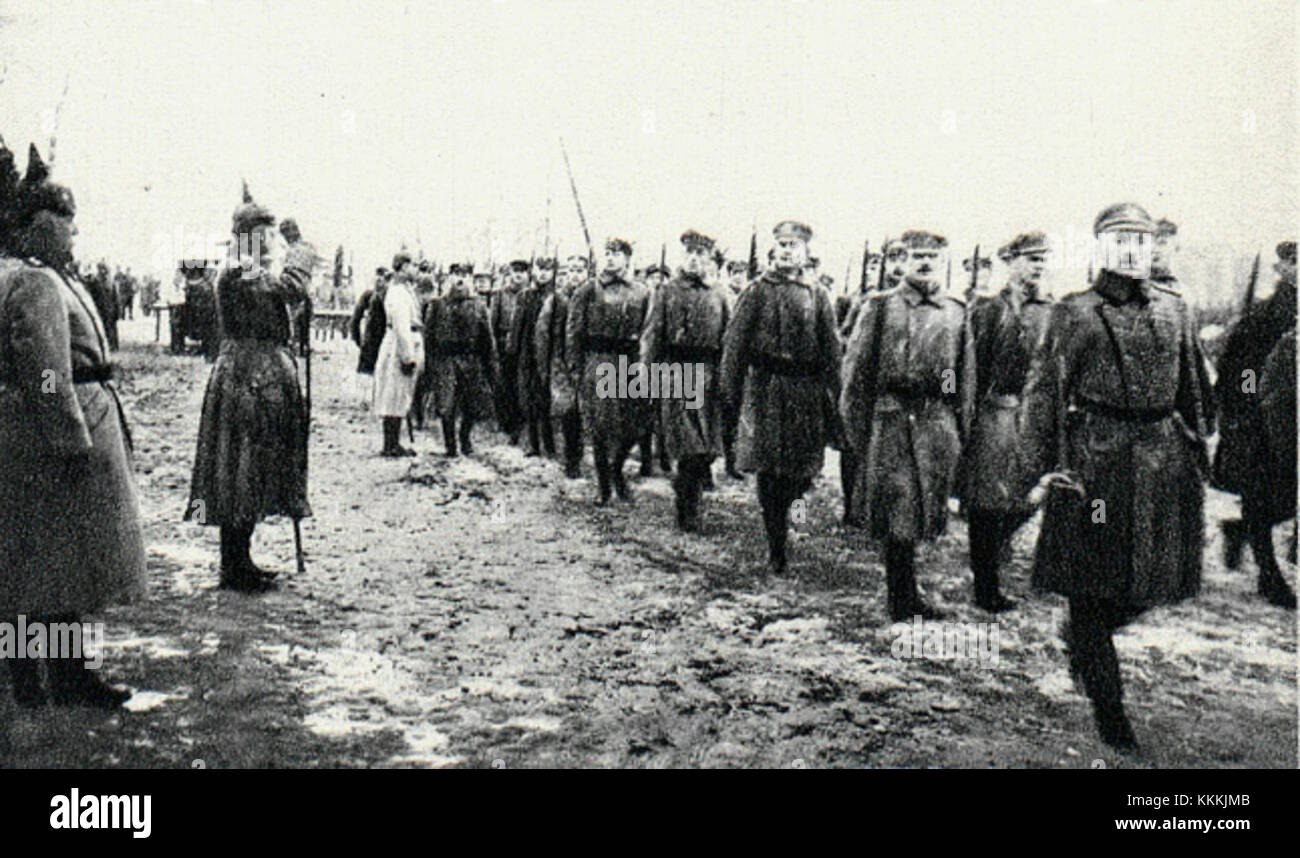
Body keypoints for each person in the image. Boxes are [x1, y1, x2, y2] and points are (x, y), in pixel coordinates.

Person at [1020, 202, 1210, 749]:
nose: (1132, 251)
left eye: (1141, 240)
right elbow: (1044, 395)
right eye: (1120, 240)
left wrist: (1199, 449)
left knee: (1151, 582)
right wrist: (1044, 469)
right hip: (1096, 464)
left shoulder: (1176, 309)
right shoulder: (1076, 312)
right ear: (1100, 247)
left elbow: (1193, 387)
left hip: (1161, 460)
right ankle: (1111, 715)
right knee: (1091, 584)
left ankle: (1082, 636)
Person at [0, 139, 145, 708]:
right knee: (59, 566)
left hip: (27, 431)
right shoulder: (35, 281)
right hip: (54, 432)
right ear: (37, 226)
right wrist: (67, 434)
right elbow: (43, 373)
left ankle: (34, 678)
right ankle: (57, 679)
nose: (73, 235)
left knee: (28, 565)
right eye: (65, 224)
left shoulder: (28, 275)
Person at [841, 230, 973, 617]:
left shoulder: (955, 310)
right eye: (917, 255)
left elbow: (961, 376)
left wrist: (957, 423)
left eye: (933, 255)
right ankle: (901, 596)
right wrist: (860, 434)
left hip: (936, 422)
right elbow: (856, 376)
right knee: (897, 510)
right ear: (904, 259)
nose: (925, 262)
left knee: (924, 510)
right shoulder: (881, 307)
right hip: (892, 418)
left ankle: (906, 589)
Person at [185, 185, 311, 592]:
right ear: (247, 234)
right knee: (239, 470)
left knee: (252, 469)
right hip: (247, 379)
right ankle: (233, 565)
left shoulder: (248, 266)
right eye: (265, 233)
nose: (271, 241)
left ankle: (242, 559)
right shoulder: (242, 270)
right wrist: (300, 260)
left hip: (257, 375)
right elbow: (285, 292)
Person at [721, 220, 841, 574]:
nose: (788, 250)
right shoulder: (757, 290)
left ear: (806, 252)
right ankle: (777, 545)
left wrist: (835, 394)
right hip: (766, 391)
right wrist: (731, 393)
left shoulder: (817, 294)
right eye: (783, 244)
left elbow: (832, 349)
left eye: (795, 245)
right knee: (770, 471)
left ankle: (792, 516)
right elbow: (734, 346)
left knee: (801, 471)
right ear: (774, 250)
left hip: (805, 393)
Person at [961, 231, 1054, 612]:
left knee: (1031, 495)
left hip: (1035, 416)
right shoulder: (987, 309)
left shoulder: (1052, 311)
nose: (1039, 266)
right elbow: (968, 367)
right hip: (994, 412)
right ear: (1011, 261)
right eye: (1031, 258)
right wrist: (966, 417)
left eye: (1043, 259)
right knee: (986, 502)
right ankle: (986, 588)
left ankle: (999, 546)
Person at [1213, 240, 1297, 608]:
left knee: (1286, 500)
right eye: (1295, 263)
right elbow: (1244, 366)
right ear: (1283, 270)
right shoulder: (1267, 314)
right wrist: (1249, 406)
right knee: (1263, 493)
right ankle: (1268, 573)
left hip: (1291, 417)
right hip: (1262, 418)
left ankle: (1241, 529)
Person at [640, 230, 731, 531]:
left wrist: (728, 380)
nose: (694, 258)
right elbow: (652, 337)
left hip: (709, 378)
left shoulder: (719, 293)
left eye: (701, 253)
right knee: (688, 447)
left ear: (709, 259)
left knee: (705, 450)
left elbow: (730, 342)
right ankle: (686, 509)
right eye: (690, 252)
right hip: (676, 376)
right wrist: (648, 377)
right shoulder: (666, 292)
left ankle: (690, 497)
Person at [566, 238, 651, 504]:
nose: (610, 259)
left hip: (630, 364)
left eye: (616, 254)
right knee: (601, 428)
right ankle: (604, 486)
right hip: (598, 362)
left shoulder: (642, 291)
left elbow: (649, 332)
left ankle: (616, 470)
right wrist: (576, 367)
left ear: (627, 258)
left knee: (635, 427)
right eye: (607, 254)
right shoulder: (588, 289)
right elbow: (574, 331)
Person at [424, 263, 498, 456]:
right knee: (446, 405)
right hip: (445, 360)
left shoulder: (479, 305)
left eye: (464, 275)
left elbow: (487, 339)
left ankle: (465, 438)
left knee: (472, 405)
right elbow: (428, 338)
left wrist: (490, 365)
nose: (460, 279)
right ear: (448, 278)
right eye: (456, 274)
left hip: (471, 360)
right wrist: (430, 366)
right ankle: (450, 446)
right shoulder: (437, 304)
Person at [537, 255, 586, 477]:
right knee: (569, 412)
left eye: (579, 270)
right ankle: (572, 459)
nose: (574, 275)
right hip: (561, 364)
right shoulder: (555, 300)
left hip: (588, 363)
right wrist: (544, 366)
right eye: (571, 270)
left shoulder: (593, 296)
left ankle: (584, 452)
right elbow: (542, 334)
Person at [373, 252, 424, 457]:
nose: (415, 270)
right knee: (394, 395)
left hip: (402, 342)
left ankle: (393, 442)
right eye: (412, 266)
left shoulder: (404, 290)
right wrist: (407, 357)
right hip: (398, 346)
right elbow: (402, 327)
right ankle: (390, 444)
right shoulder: (397, 293)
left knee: (399, 394)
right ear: (403, 267)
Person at [510, 257, 557, 457]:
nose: (543, 273)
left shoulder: (557, 297)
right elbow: (516, 327)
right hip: (527, 355)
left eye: (548, 269)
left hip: (550, 354)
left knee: (546, 400)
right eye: (540, 269)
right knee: (529, 401)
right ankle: (534, 445)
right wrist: (513, 350)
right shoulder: (524, 296)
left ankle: (550, 445)